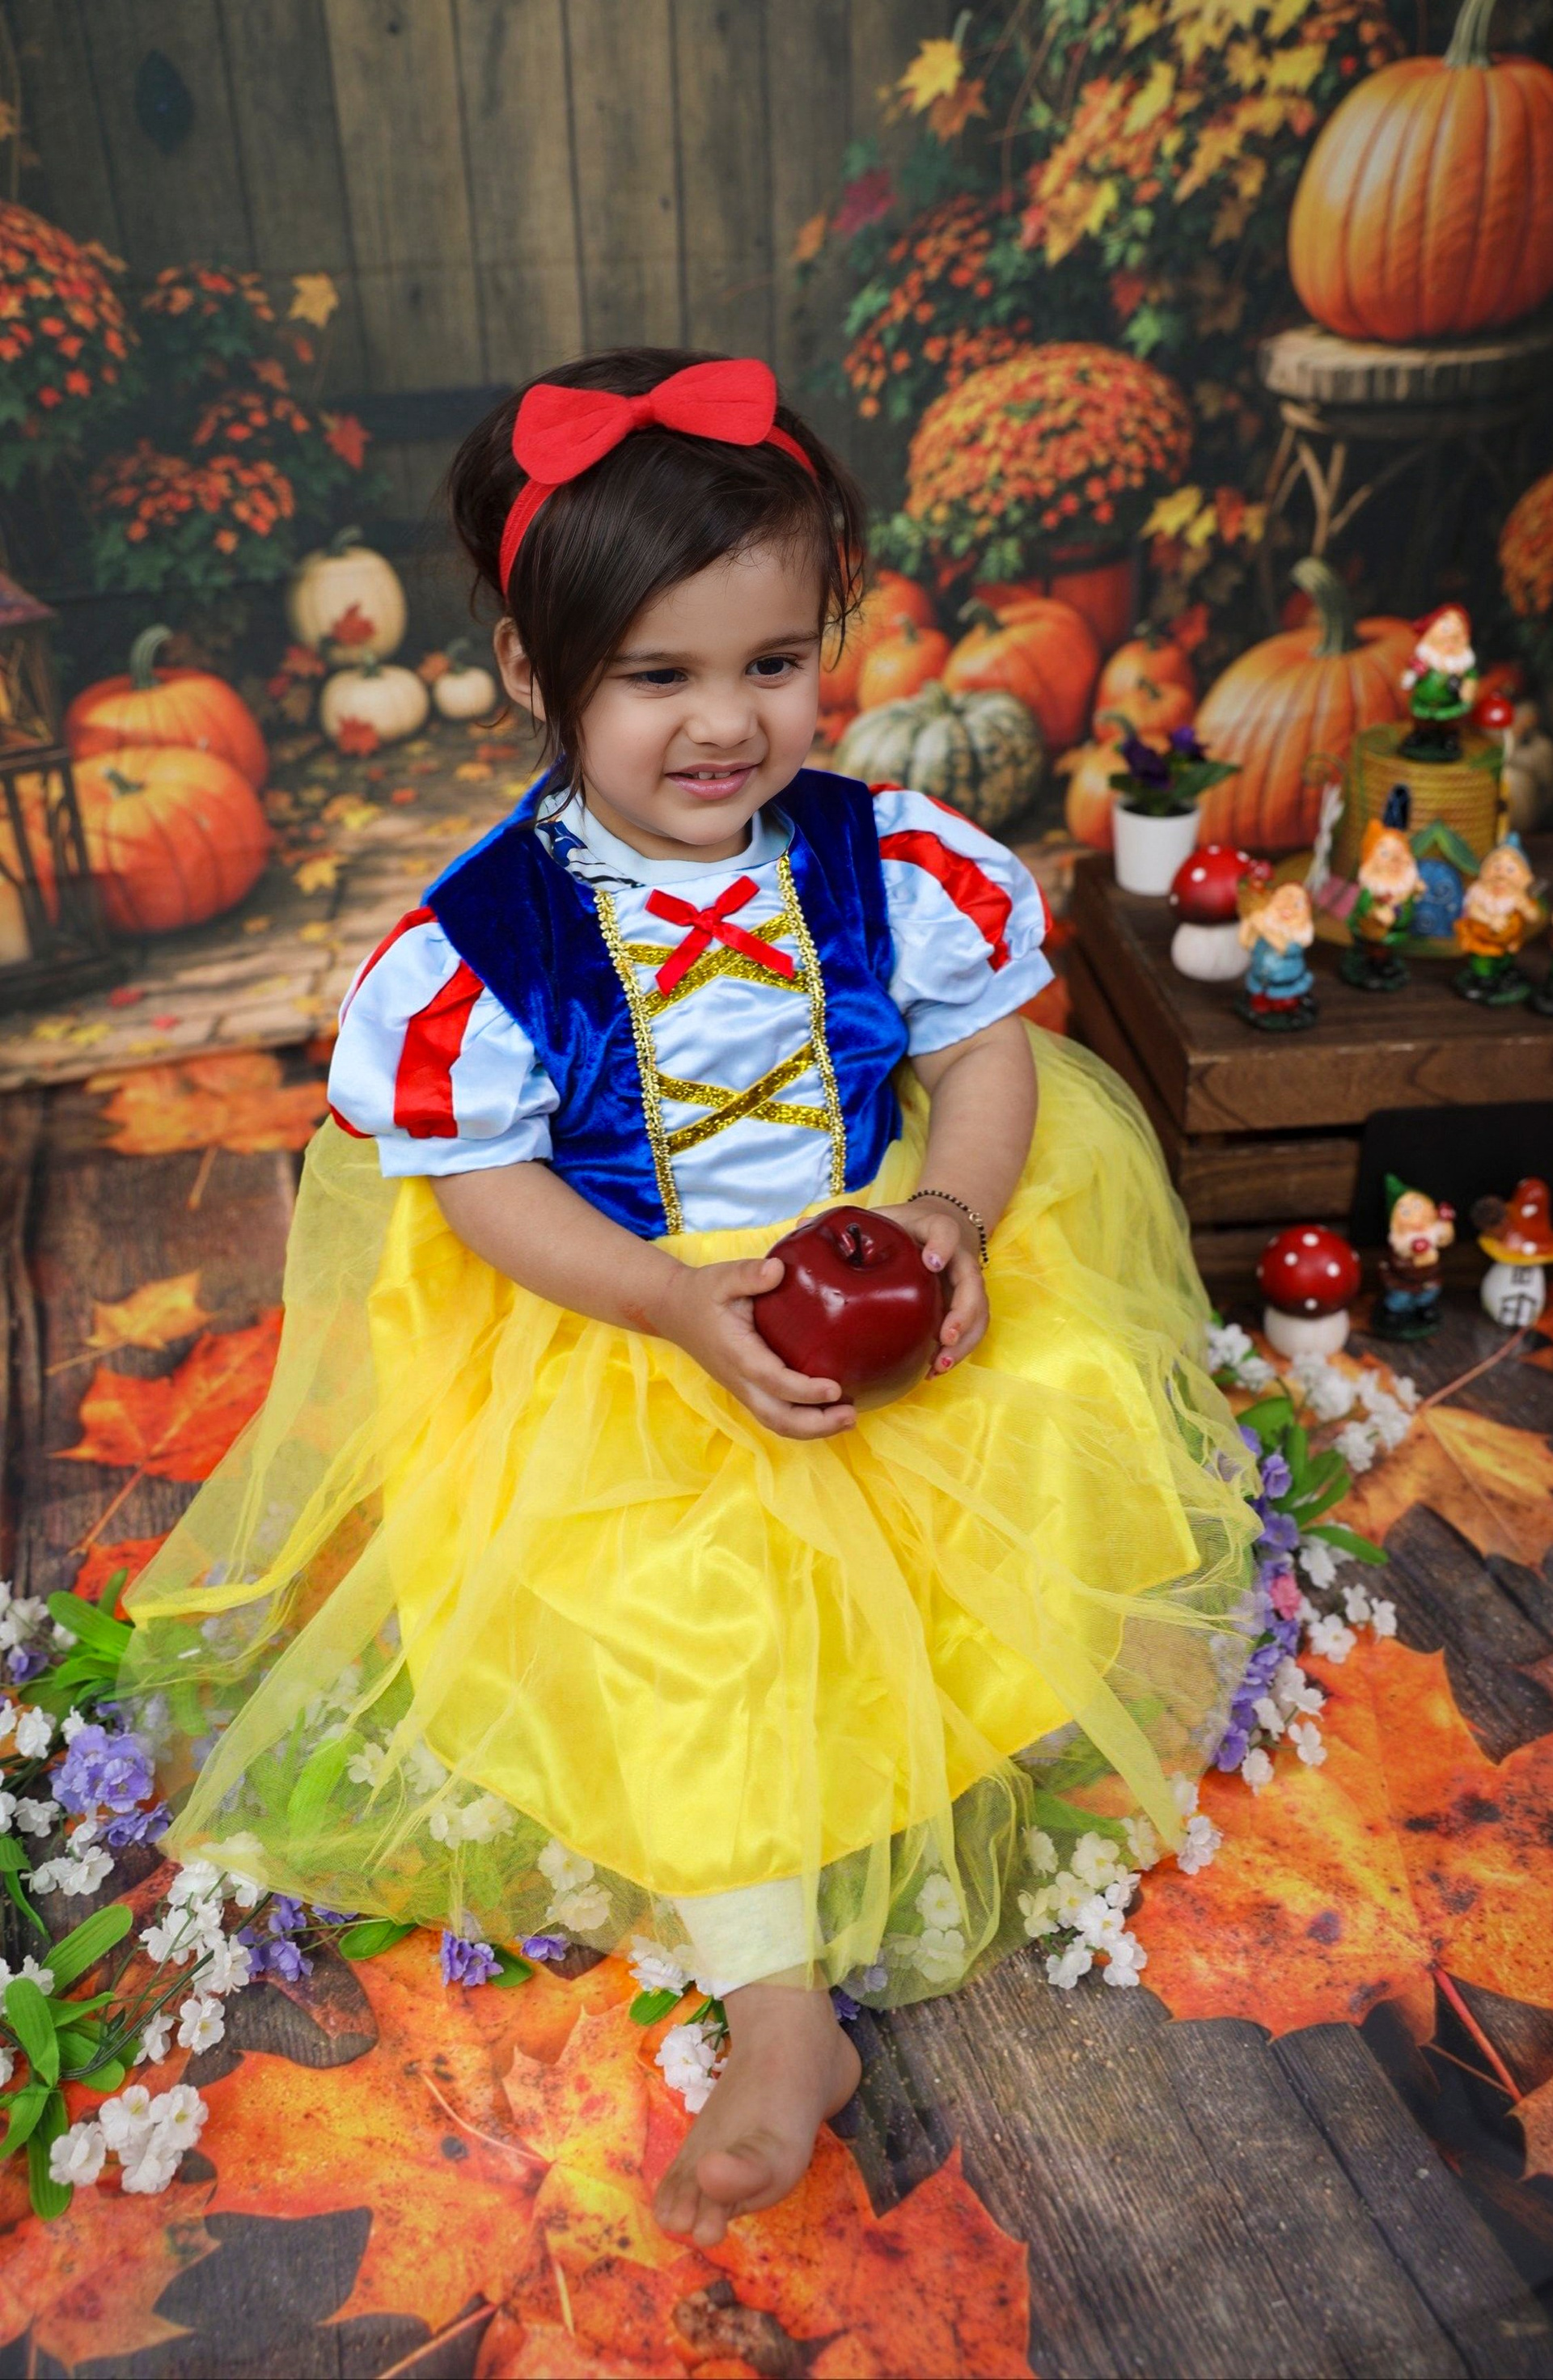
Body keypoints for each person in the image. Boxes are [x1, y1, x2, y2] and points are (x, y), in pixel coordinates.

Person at [119, 349, 1259, 2247]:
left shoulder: (882, 857)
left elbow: (983, 1052)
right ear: (530, 667)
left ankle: (915, 1757)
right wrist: (664, 1300)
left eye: (775, 662)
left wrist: (954, 1214)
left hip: (872, 1266)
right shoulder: (488, 939)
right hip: (632, 1315)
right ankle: (781, 2006)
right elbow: (482, 1185)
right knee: (680, 1604)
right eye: (658, 676)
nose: (727, 722)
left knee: (1032, 1449)